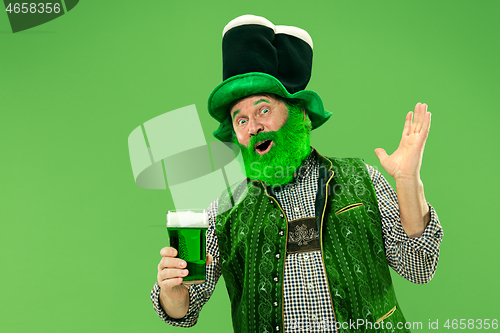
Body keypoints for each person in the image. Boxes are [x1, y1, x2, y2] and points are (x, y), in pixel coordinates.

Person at [151, 15, 443, 333]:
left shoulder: (363, 179)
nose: (254, 127)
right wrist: (172, 291)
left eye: (263, 110)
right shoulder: (224, 210)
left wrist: (407, 180)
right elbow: (183, 310)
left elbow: (419, 265)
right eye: (241, 119)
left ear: (298, 113)